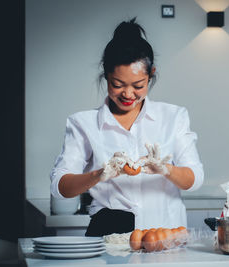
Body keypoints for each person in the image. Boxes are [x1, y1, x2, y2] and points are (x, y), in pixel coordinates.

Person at [50, 18, 204, 237]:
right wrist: (100, 174)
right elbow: (60, 187)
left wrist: (165, 169)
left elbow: (195, 179)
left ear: (151, 74)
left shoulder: (173, 117)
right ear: (106, 75)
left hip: (164, 235)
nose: (128, 94)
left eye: (138, 86)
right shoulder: (83, 123)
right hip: (109, 236)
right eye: (118, 85)